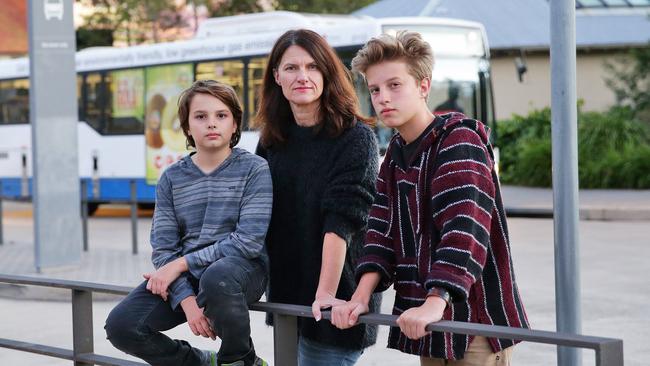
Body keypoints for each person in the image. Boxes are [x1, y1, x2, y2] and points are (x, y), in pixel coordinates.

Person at [331, 31, 529, 365]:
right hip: (429, 325)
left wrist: (436, 300)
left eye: (395, 85)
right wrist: (360, 296)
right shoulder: (396, 152)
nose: (382, 98)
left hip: (473, 324)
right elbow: (381, 229)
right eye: (375, 89)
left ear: (423, 86)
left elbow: (465, 230)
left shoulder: (458, 141)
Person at [105, 80, 272, 366]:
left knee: (217, 277)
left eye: (221, 115)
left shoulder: (254, 169)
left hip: (242, 269)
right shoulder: (172, 178)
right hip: (189, 279)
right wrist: (188, 302)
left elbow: (248, 241)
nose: (211, 124)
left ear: (235, 125)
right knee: (122, 325)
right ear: (187, 126)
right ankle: (199, 362)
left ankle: (241, 361)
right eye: (200, 116)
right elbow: (164, 247)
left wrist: (180, 265)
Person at [254, 29, 381, 366]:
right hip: (287, 299)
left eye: (312, 67)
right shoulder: (271, 141)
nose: (303, 76)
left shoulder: (356, 138)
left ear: (327, 73)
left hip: (336, 303)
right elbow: (254, 218)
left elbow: (341, 223)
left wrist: (325, 294)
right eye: (292, 68)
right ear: (276, 76)